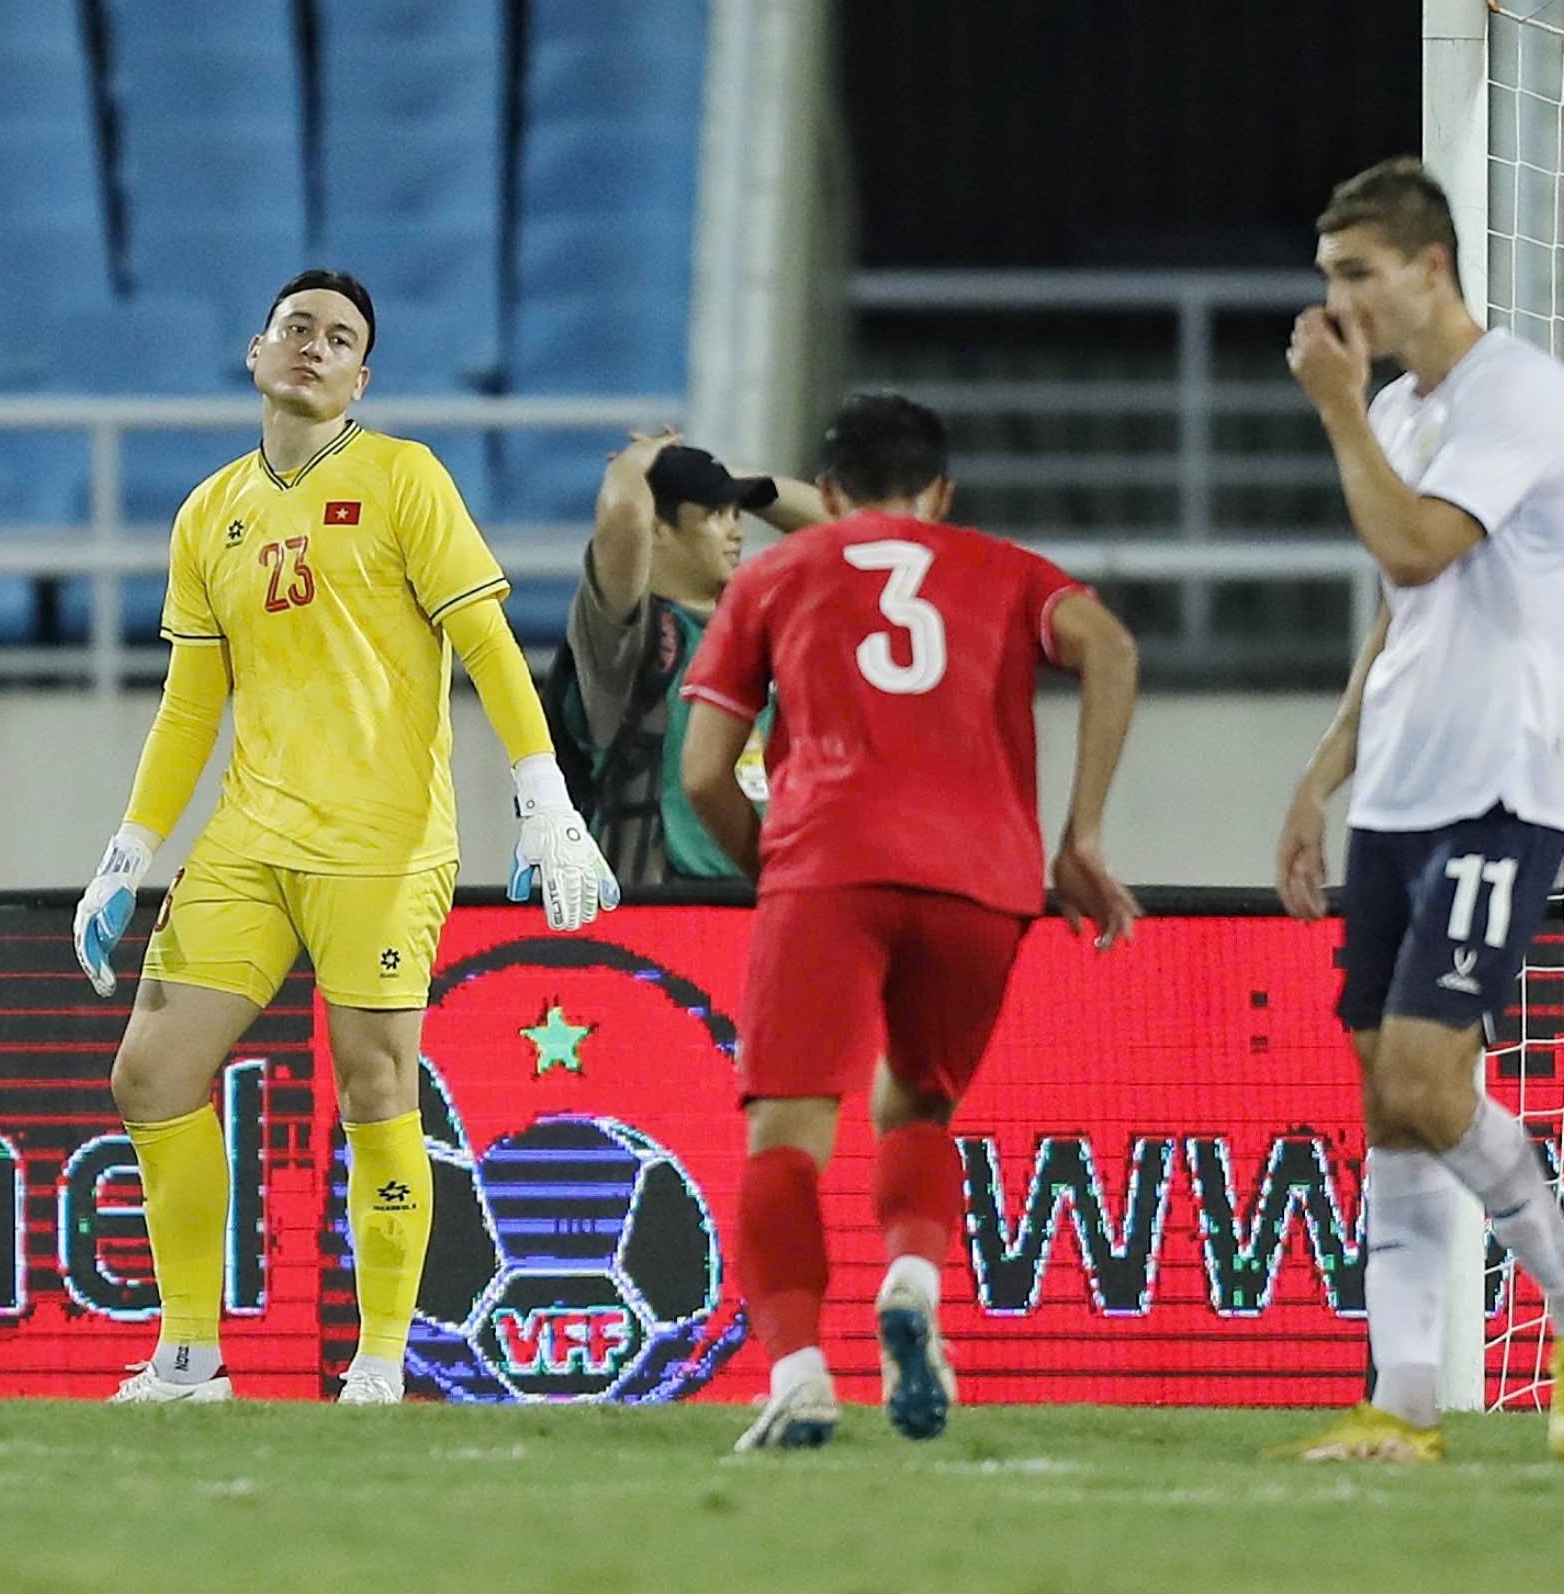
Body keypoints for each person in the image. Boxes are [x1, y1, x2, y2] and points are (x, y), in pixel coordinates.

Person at [72, 270, 619, 1406]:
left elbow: (486, 642)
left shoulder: (401, 477)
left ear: (360, 377)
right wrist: (130, 851)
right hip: (249, 839)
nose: (315, 347)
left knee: (376, 1088)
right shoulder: (206, 510)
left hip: (382, 841)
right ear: (256, 351)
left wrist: (544, 798)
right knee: (150, 1073)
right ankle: (187, 1361)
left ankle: (377, 1362)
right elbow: (189, 704)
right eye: (298, 329)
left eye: (341, 339)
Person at [678, 391, 1144, 1451]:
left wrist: (776, 866)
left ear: (829, 494)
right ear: (939, 492)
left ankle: (798, 1370)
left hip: (828, 859)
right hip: (984, 879)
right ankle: (910, 1280)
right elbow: (1110, 650)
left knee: (787, 1137)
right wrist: (1081, 836)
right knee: (920, 1107)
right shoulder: (1005, 568)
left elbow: (705, 770)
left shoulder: (774, 575)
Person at [1272, 157, 1564, 1463]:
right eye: (1326, 281)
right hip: (1402, 794)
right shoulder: (1415, 416)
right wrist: (1322, 774)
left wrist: (1336, 413)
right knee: (1387, 1096)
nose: (1337, 304)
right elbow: (1401, 614)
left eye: (1357, 275)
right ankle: (1406, 1405)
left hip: (1496, 789)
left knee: (1429, 1077)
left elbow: (1419, 545)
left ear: (1431, 268)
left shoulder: (1519, 395)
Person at [554, 433, 826, 884]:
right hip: (657, 905)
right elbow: (624, 514)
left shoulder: (757, 623)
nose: (738, 531)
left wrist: (728, 478)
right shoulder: (624, 634)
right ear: (658, 528)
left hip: (762, 892)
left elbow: (852, 529)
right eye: (716, 515)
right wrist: (637, 462)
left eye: (737, 514)